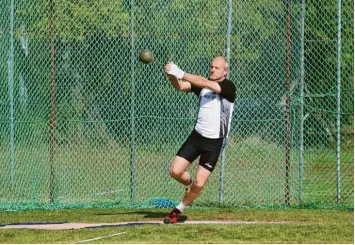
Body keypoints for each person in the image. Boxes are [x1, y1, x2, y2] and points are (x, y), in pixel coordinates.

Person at [163, 56, 236, 224]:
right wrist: (172, 75)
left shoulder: (228, 87)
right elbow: (181, 86)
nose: (212, 69)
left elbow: (207, 84)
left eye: (216, 68)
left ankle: (178, 210)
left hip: (214, 143)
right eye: (211, 66)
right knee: (175, 171)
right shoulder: (203, 86)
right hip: (196, 137)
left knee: (200, 182)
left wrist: (180, 72)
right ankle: (189, 186)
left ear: (225, 71)